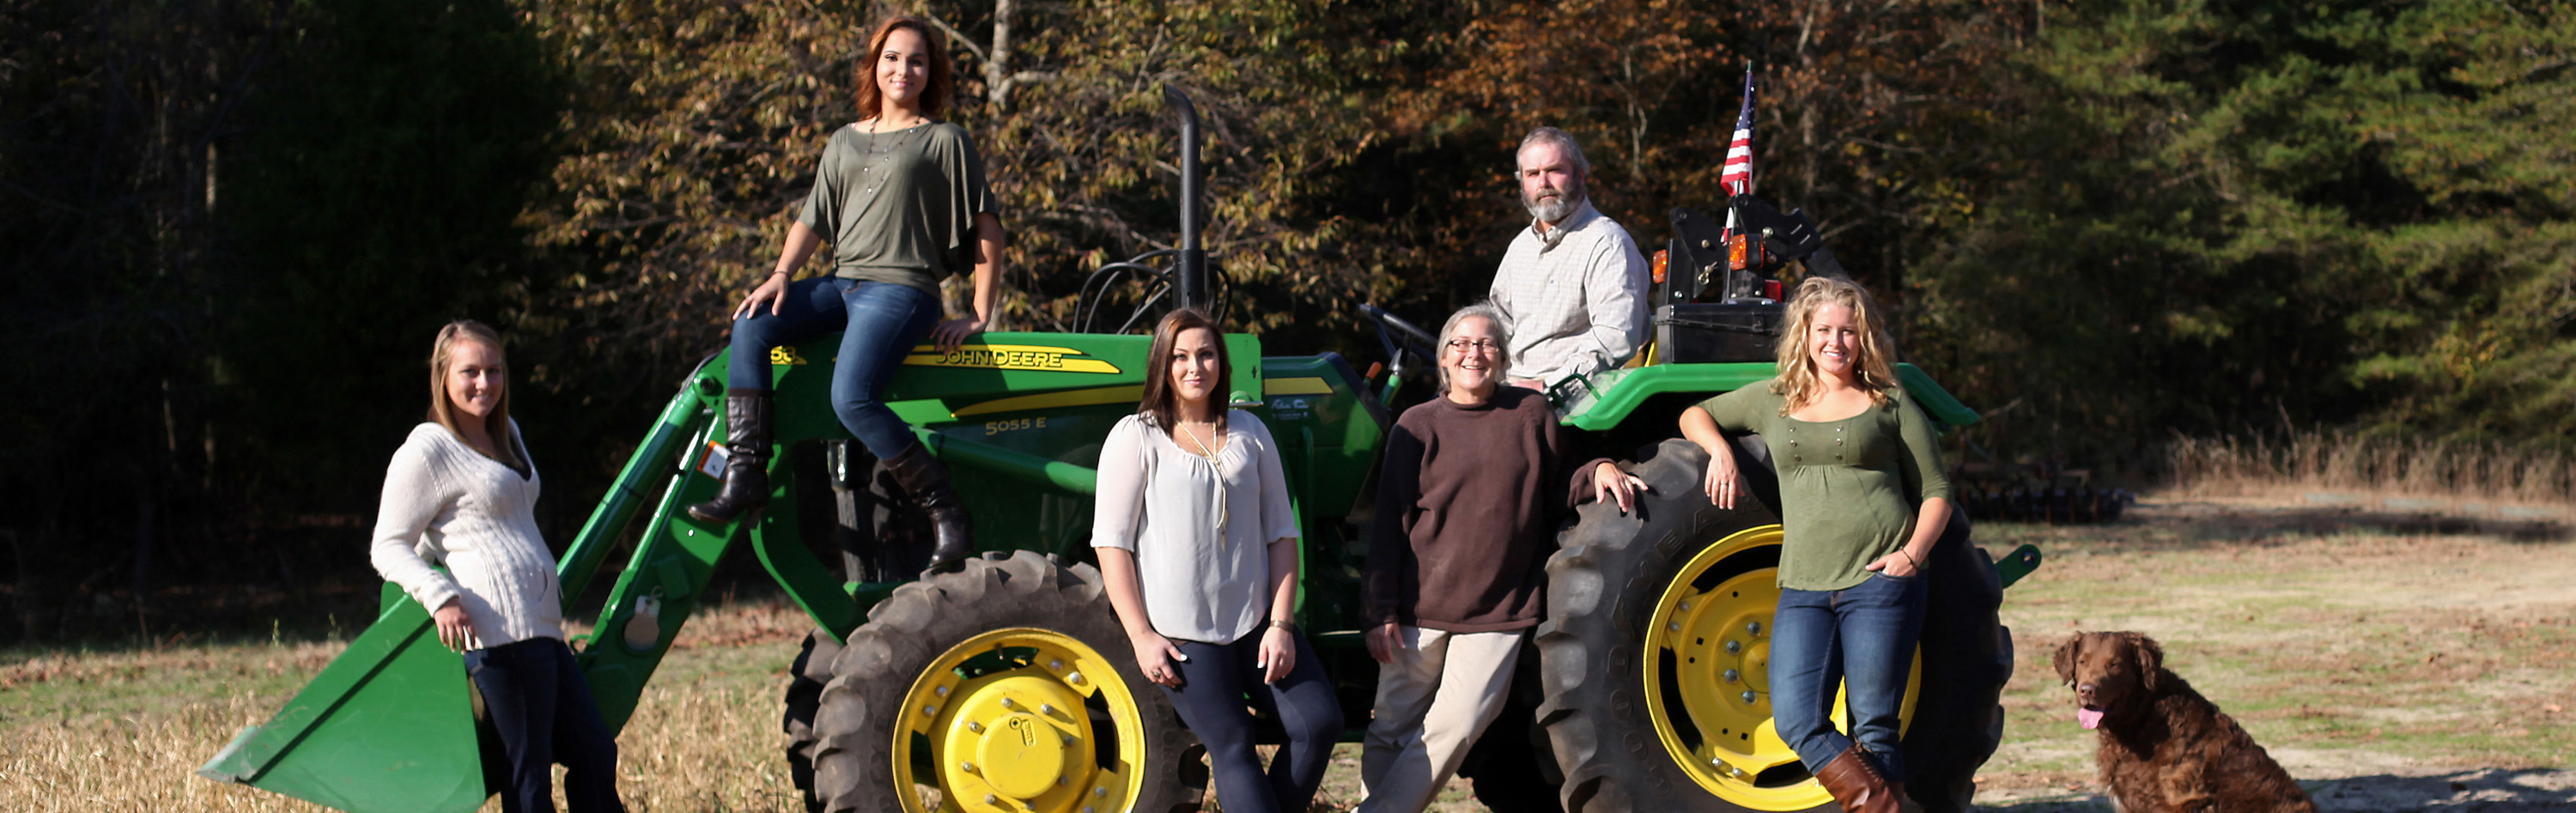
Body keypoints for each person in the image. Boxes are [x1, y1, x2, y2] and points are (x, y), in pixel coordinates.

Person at [687, 16, 1005, 574]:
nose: (902, 69)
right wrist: (783, 272)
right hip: (842, 283)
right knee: (753, 324)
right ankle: (746, 474)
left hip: (903, 288)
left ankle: (946, 512)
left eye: (916, 60)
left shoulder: (945, 139)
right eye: (892, 57)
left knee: (851, 396)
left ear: (930, 72)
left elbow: (986, 228)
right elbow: (812, 220)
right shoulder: (844, 141)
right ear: (874, 65)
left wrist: (979, 313)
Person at [1356, 303, 1644, 813]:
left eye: (1487, 343)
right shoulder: (1417, 425)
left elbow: (1560, 483)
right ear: (1443, 358)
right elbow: (1389, 527)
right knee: (1390, 730)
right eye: (1462, 344)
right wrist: (1379, 610)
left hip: (1498, 611)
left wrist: (1599, 467)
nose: (1475, 354)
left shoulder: (1528, 414)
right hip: (1418, 610)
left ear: (1503, 357)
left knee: (1458, 725)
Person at [1678, 276, 1951, 813]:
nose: (1836, 342)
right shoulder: (1774, 398)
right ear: (1804, 334)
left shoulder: (1888, 402)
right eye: (1823, 329)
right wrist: (1721, 452)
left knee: (1874, 725)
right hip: (1803, 584)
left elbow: (1938, 491)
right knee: (1798, 718)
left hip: (1879, 580)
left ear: (1864, 338)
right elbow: (1695, 413)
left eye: (1848, 331)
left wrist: (1911, 556)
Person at [369, 321, 626, 813]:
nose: (484, 383)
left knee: (594, 749)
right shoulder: (427, 448)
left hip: (541, 631)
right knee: (527, 779)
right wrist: (439, 596)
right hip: (497, 639)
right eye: (470, 372)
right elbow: (389, 545)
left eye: (494, 370)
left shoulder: (507, 433)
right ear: (443, 376)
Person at [1092, 308, 1341, 813]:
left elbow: (1282, 534)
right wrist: (1142, 636)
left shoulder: (1250, 432)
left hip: (1254, 624)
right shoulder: (1136, 436)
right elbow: (1111, 543)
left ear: (1221, 364)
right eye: (1180, 356)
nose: (1194, 367)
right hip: (1182, 634)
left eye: (1205, 354)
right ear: (1162, 365)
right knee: (1234, 747)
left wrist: (1281, 625)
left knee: (1318, 723)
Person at [1488, 126, 1649, 393]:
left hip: (1572, 400)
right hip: (1513, 390)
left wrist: (1548, 387)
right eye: (1533, 174)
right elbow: (1497, 330)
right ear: (1522, 184)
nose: (1543, 183)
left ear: (1580, 175)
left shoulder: (1607, 242)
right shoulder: (1519, 248)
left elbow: (1616, 339)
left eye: (1554, 170)